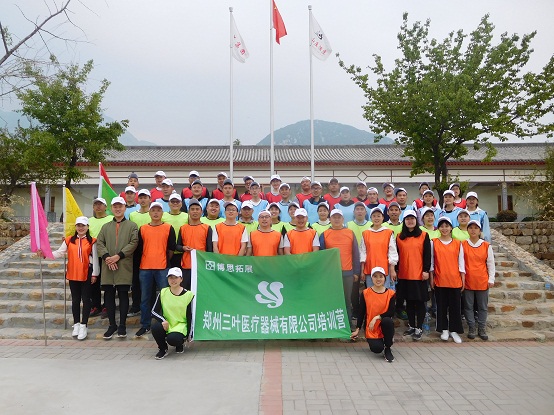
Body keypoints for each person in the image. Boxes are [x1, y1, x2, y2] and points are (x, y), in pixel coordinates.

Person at [38, 216, 99, 340]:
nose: (81, 228)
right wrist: (45, 254)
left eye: (83, 225)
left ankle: (84, 325)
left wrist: (95, 274)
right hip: (73, 272)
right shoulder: (69, 240)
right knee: (75, 300)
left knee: (86, 299)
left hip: (86, 273)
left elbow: (96, 259)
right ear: (75, 227)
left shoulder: (92, 241)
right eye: (78, 225)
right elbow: (59, 252)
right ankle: (76, 324)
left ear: (87, 227)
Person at [97, 197, 139, 339]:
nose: (118, 209)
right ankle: (112, 325)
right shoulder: (106, 226)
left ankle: (122, 326)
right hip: (108, 265)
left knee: (123, 295)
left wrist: (118, 256)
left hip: (123, 265)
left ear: (125, 208)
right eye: (115, 206)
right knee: (108, 296)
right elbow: (100, 243)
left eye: (120, 206)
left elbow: (133, 242)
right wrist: (107, 258)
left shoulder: (132, 226)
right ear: (111, 208)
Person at [135, 201, 176, 337]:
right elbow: (139, 249)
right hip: (145, 268)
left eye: (158, 210)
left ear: (162, 213)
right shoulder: (143, 229)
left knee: (165, 298)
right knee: (145, 298)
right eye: (153, 210)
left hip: (162, 268)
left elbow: (171, 248)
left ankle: (166, 324)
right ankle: (145, 325)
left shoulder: (168, 228)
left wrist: (164, 260)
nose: (156, 213)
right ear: (149, 213)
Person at [320, 209, 360, 330]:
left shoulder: (350, 233)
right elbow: (321, 256)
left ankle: (348, 324)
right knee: (331, 299)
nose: (336, 219)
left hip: (347, 273)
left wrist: (356, 272)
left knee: (347, 299)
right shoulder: (325, 234)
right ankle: (331, 324)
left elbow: (355, 253)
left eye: (339, 217)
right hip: (331, 274)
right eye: (334, 217)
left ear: (343, 219)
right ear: (330, 219)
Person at [395, 211, 431, 341]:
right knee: (409, 302)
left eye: (412, 219)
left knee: (420, 302)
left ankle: (419, 327)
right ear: (404, 221)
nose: (410, 221)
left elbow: (427, 254)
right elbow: (397, 255)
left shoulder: (424, 235)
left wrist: (426, 270)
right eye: (407, 219)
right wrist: (396, 270)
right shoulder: (399, 237)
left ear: (416, 220)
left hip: (419, 274)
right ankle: (411, 325)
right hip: (404, 274)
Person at [430, 217, 465, 344]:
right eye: (441, 226)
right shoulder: (434, 242)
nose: (444, 229)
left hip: (455, 280)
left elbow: (461, 263)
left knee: (455, 307)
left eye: (447, 226)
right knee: (441, 306)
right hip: (440, 279)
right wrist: (432, 278)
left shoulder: (458, 243)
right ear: (438, 228)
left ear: (451, 228)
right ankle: (444, 329)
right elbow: (432, 262)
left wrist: (463, 279)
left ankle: (454, 330)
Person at [351, 267, 396, 363]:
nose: (378, 279)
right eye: (375, 276)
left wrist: (377, 317)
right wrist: (357, 329)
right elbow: (361, 312)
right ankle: (381, 343)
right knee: (377, 349)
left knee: (387, 320)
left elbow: (391, 312)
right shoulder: (365, 293)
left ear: (385, 278)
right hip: (371, 327)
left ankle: (388, 347)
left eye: (381, 276)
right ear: (371, 278)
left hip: (384, 324)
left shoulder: (390, 294)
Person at [151, 267, 194, 359]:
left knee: (173, 339)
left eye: (176, 277)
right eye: (171, 278)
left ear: (181, 279)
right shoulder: (163, 292)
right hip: (167, 323)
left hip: (181, 326)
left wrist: (190, 334)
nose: (173, 280)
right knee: (155, 326)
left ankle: (179, 344)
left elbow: (190, 315)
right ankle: (163, 349)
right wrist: (163, 320)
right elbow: (153, 311)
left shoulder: (188, 295)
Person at [462, 220, 495, 340]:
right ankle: (471, 327)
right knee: (468, 306)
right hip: (468, 280)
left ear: (480, 230)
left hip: (482, 280)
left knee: (482, 307)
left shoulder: (486, 245)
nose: (473, 230)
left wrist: (491, 278)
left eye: (476, 228)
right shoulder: (463, 244)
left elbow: (490, 263)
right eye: (470, 228)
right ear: (467, 230)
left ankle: (481, 328)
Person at [176, 199, 213, 289]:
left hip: (201, 265)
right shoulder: (183, 228)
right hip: (186, 265)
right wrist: (183, 248)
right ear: (188, 212)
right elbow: (177, 246)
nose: (195, 211)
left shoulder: (207, 228)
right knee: (186, 290)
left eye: (197, 209)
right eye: (192, 209)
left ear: (201, 212)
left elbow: (210, 249)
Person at [360, 207, 398, 289]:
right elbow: (363, 252)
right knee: (371, 292)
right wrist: (362, 270)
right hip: (370, 268)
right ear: (371, 218)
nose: (376, 218)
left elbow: (392, 252)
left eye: (378, 216)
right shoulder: (366, 233)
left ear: (383, 217)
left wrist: (392, 269)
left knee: (384, 292)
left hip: (384, 269)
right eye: (374, 216)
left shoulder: (388, 232)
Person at [128, 189, 152, 316]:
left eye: (145, 197)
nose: (143, 200)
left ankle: (152, 307)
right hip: (136, 250)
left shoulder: (154, 213)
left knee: (150, 281)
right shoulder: (133, 215)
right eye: (141, 197)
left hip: (151, 249)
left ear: (150, 199)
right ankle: (136, 305)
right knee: (136, 280)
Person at [88, 197, 113, 318]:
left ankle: (107, 306)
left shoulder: (111, 219)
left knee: (108, 283)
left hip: (107, 256)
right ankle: (95, 305)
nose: (98, 206)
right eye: (96, 204)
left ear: (106, 207)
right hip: (93, 256)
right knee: (94, 282)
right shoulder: (89, 221)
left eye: (100, 204)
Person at [162, 193, 189, 268]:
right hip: (167, 251)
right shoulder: (163, 216)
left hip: (182, 251)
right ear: (169, 203)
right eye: (172, 201)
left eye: (177, 201)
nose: (175, 203)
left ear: (181, 204)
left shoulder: (187, 216)